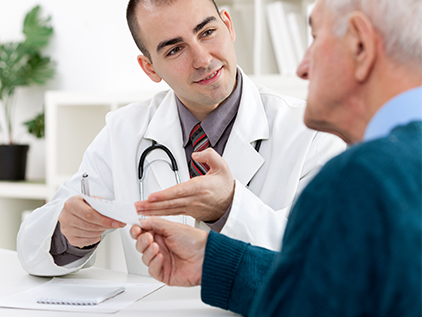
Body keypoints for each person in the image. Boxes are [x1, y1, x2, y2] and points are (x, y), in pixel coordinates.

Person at [130, 0, 422, 315]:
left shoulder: (359, 176)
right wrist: (214, 262)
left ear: (360, 45)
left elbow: (313, 306)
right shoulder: (398, 168)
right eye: (174, 50)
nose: (302, 67)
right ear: (149, 66)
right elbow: (341, 293)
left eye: (314, 38)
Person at [16, 0, 344, 276]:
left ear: (228, 25)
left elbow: (323, 260)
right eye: (175, 49)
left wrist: (228, 208)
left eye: (207, 32)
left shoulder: (313, 133)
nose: (202, 59)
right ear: (150, 68)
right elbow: (31, 248)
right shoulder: (123, 132)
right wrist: (68, 234)